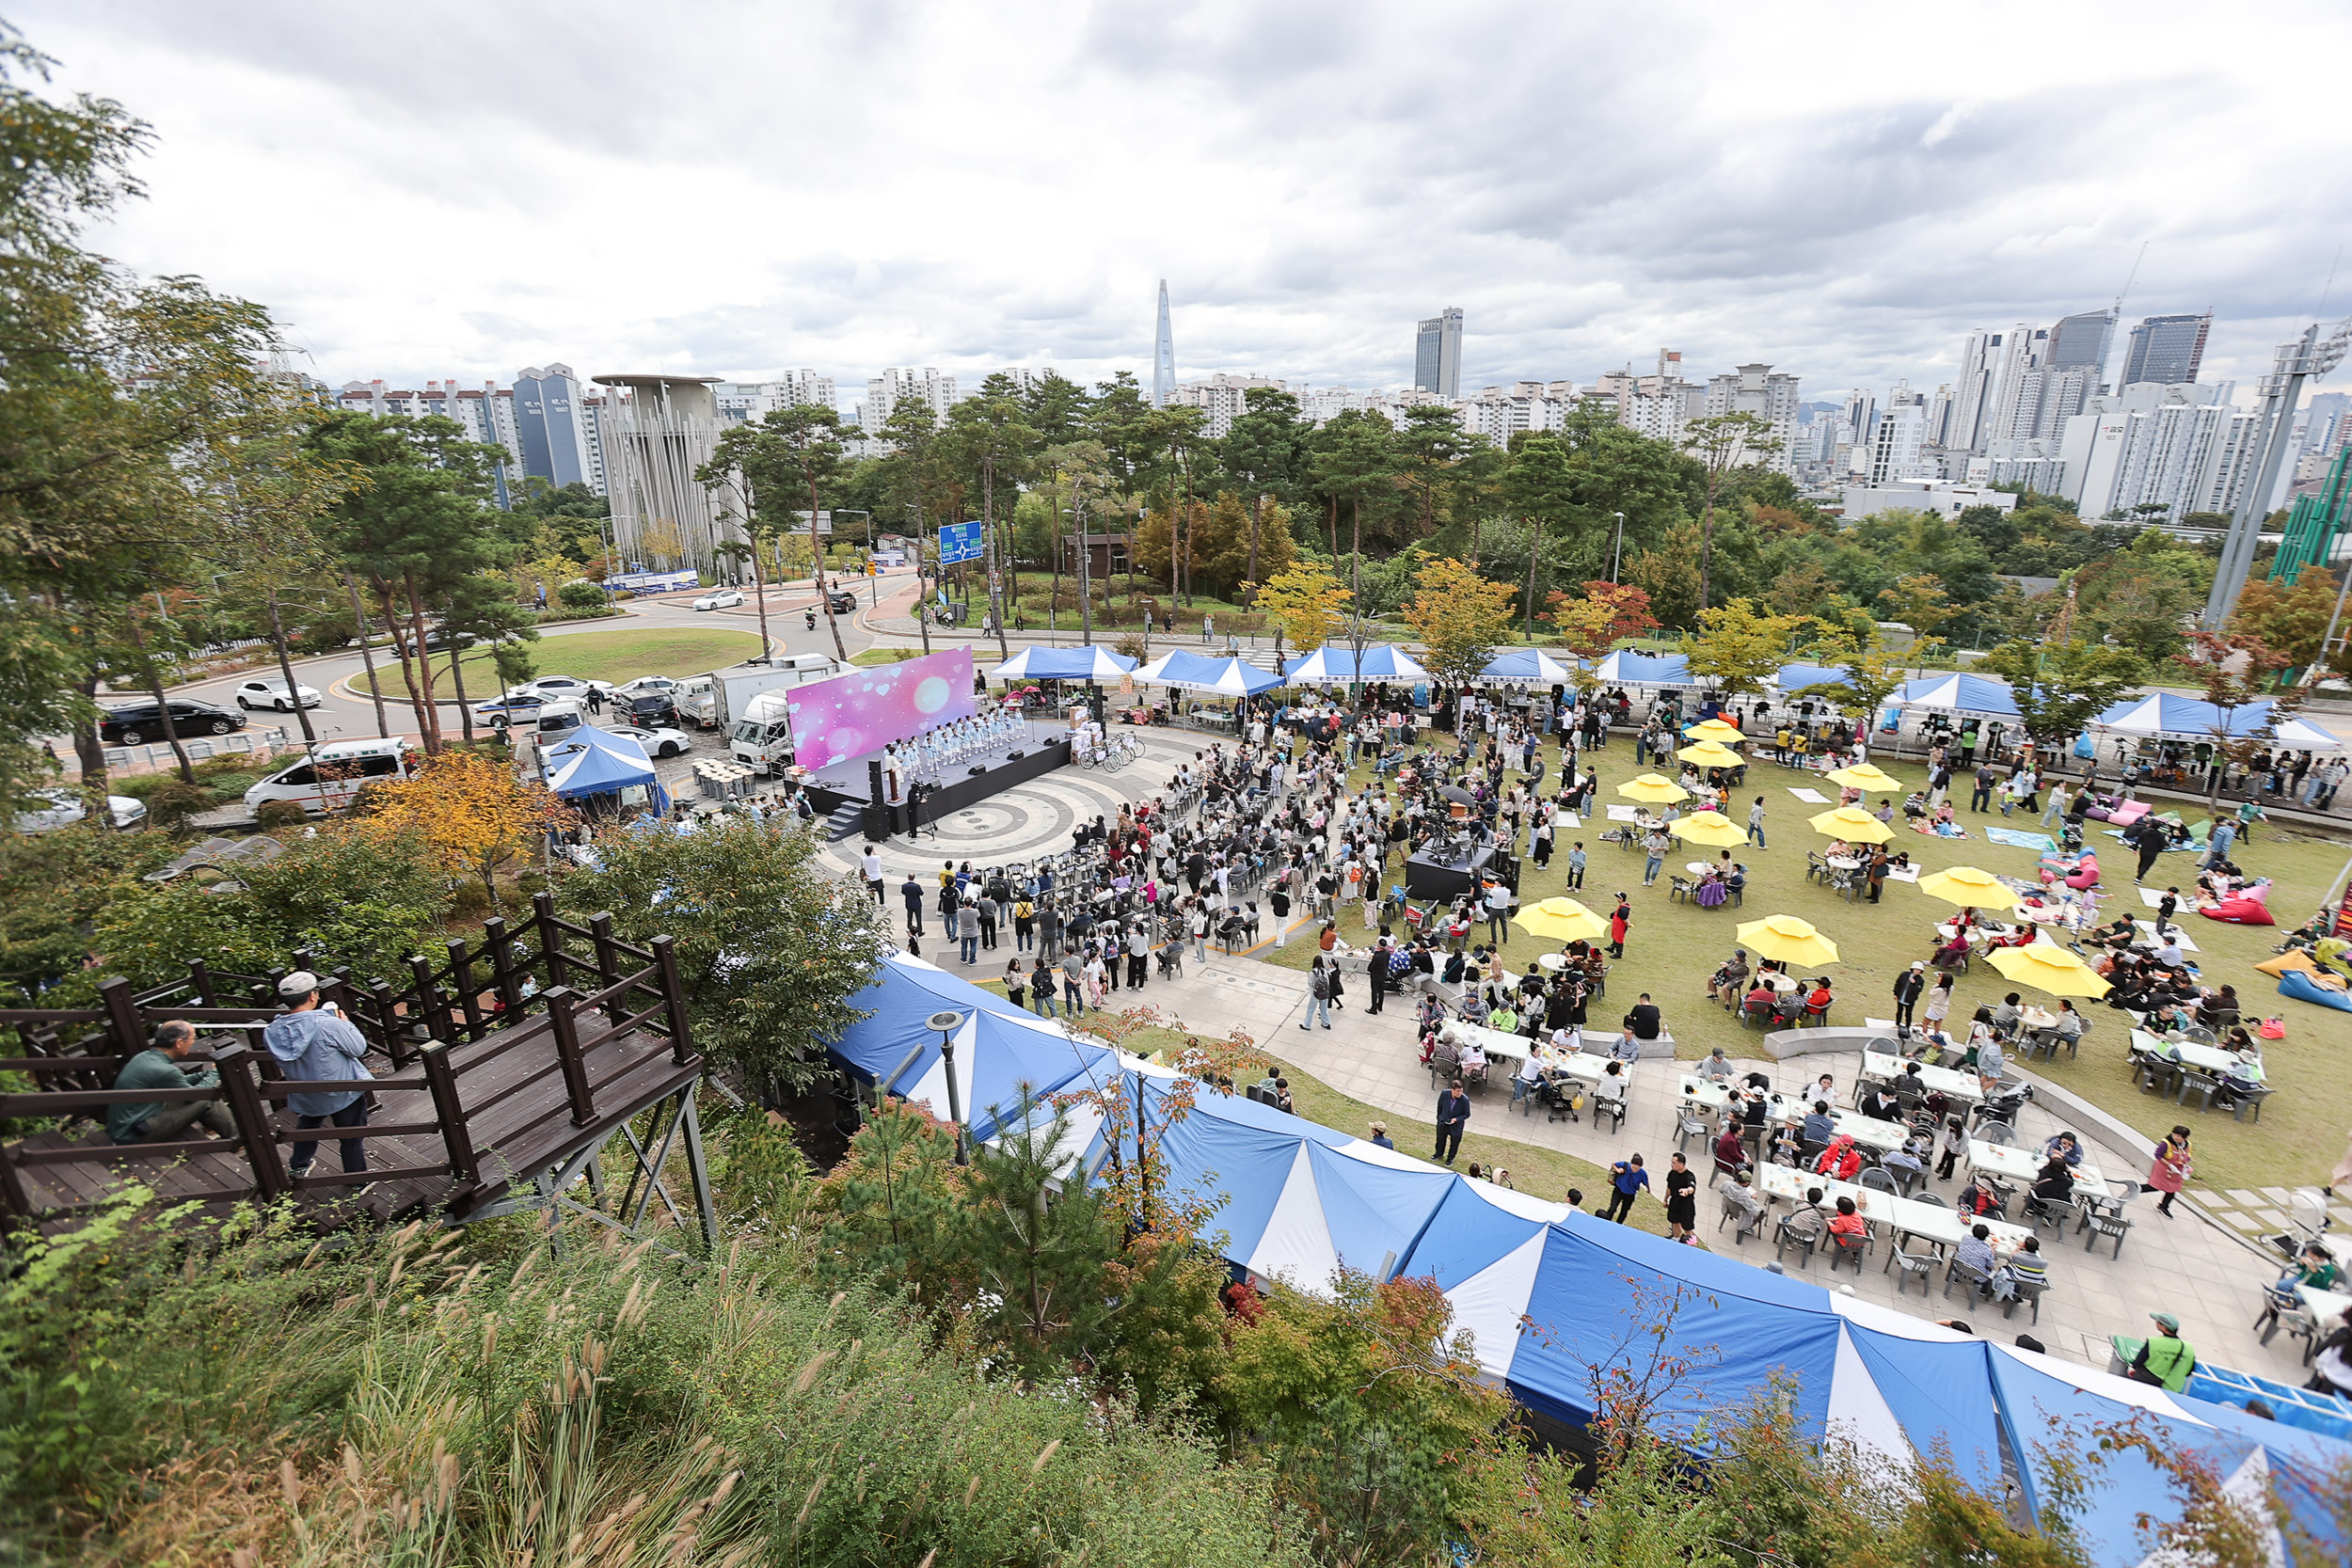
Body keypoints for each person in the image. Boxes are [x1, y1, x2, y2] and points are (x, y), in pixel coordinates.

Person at [265, 972, 373, 1178]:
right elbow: (358, 1048)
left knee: (308, 1125)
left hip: (305, 1092)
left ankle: (299, 1165)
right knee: (351, 1134)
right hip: (342, 1091)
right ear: (313, 996)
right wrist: (346, 1024)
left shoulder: (272, 1030)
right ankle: (357, 1178)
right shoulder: (328, 1024)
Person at [105, 1020, 235, 1145]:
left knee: (203, 1095)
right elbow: (197, 1096)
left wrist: (204, 1074)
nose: (193, 1043)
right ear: (179, 1043)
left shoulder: (144, 1057)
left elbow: (180, 1085)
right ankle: (238, 1139)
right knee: (207, 1100)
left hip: (123, 1126)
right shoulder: (164, 1070)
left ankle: (216, 1128)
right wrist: (214, 1073)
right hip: (133, 1134)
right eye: (192, 1039)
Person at [2127, 1311, 2198, 1392]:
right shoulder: (2188, 1348)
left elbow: (2137, 1362)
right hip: (2171, 1391)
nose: (2156, 1323)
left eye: (2158, 1322)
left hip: (2145, 1383)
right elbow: (2189, 1371)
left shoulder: (2153, 1342)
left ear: (2164, 1328)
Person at [2143, 1125, 2192, 1217]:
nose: (2175, 1137)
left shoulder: (2187, 1144)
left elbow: (2188, 1156)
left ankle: (2163, 1206)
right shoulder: (2166, 1143)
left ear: (2184, 1137)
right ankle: (2135, 1189)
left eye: (2179, 1136)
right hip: (2164, 1169)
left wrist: (2186, 1165)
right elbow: (2158, 1155)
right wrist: (2169, 1165)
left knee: (2172, 1190)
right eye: (2175, 1134)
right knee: (2154, 1186)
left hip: (2176, 1172)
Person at [1604, 1152, 1650, 1223]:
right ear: (1631, 1164)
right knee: (1612, 1208)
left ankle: (1619, 1224)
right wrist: (1618, 1170)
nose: (1634, 1170)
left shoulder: (1642, 1173)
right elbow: (1613, 1164)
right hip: (1619, 1190)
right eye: (1633, 1167)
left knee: (1624, 1211)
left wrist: (1648, 1189)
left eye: (1636, 1169)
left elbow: (1646, 1182)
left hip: (1630, 1194)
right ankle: (1606, 1221)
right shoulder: (1624, 1165)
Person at [1434, 1079, 1471, 1165]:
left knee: (1454, 1143)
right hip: (1443, 1122)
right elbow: (1440, 1106)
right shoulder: (1444, 1094)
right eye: (1458, 1091)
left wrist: (1456, 1119)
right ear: (1452, 1089)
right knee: (1440, 1139)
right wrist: (1439, 1118)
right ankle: (1438, 1154)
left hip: (1456, 1126)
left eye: (1461, 1091)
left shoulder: (1465, 1100)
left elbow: (1467, 1114)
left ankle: (1450, 1158)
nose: (1460, 1093)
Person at [1663, 1152, 1699, 1239]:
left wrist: (1687, 1190)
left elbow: (1692, 1187)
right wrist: (1665, 1199)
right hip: (1675, 1203)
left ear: (1681, 1164)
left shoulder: (1689, 1176)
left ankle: (1692, 1245)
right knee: (1674, 1222)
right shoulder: (1672, 1173)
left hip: (1686, 1206)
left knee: (1687, 1228)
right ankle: (1676, 1239)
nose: (1672, 1165)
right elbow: (1669, 1188)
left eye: (1674, 1163)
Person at [1893, 961, 1926, 1029]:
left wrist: (1914, 984)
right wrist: (1895, 993)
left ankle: (1907, 1026)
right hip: (1901, 996)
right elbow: (1898, 984)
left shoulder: (1920, 980)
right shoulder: (1904, 974)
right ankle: (1897, 1023)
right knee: (1899, 1011)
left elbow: (1918, 990)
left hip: (1910, 1000)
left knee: (1908, 1013)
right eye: (1916, 969)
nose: (1917, 971)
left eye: (1919, 970)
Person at [1608, 894, 1631, 958]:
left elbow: (1624, 918)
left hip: (1620, 926)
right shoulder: (1623, 906)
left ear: (1621, 899)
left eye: (1618, 897)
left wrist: (1628, 924)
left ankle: (1619, 953)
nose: (1617, 899)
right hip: (1617, 925)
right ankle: (1612, 947)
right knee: (1615, 936)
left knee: (1619, 939)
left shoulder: (1623, 909)